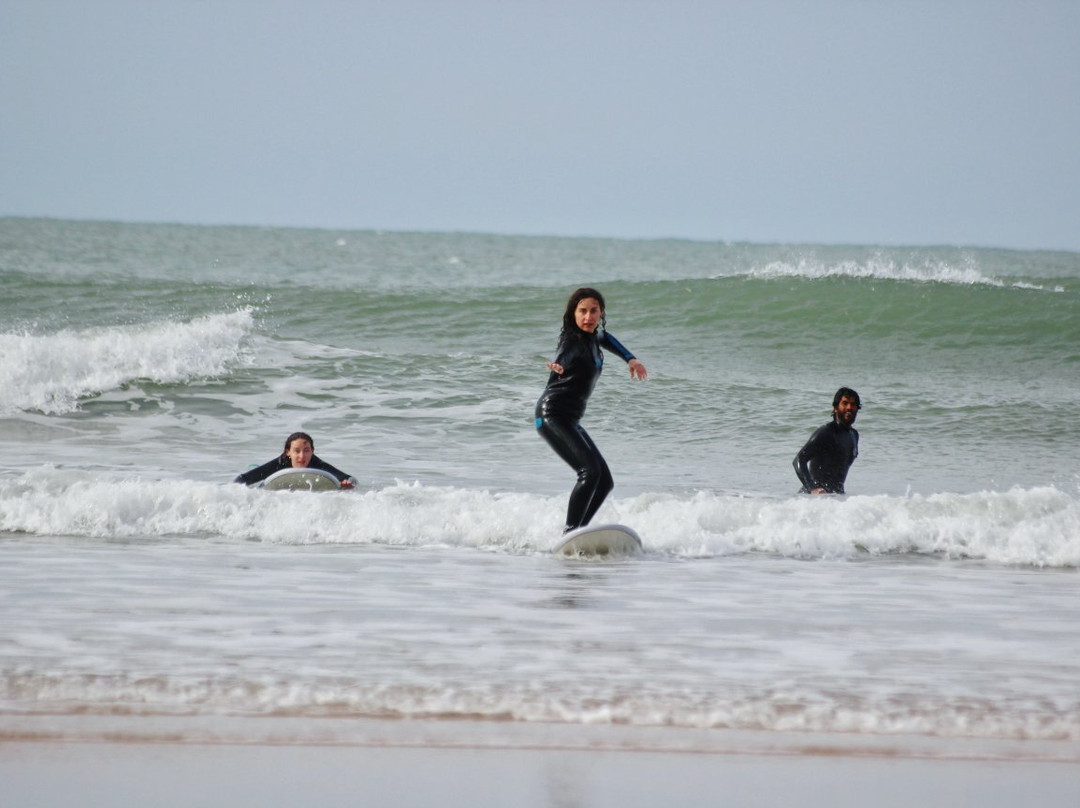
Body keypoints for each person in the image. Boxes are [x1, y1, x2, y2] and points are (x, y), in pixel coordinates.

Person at [535, 287, 648, 533]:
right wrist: (558, 366)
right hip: (551, 415)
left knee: (604, 482)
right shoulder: (572, 341)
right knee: (589, 472)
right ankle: (570, 532)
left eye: (593, 311)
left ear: (601, 312)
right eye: (582, 311)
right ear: (573, 314)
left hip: (571, 419)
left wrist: (631, 359)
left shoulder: (594, 337)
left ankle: (577, 534)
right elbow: (564, 355)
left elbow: (606, 338)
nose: (588, 317)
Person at [793, 387, 861, 494]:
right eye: (845, 403)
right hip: (812, 499)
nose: (849, 407)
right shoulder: (826, 432)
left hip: (834, 499)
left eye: (853, 404)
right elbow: (799, 459)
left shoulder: (854, 435)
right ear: (835, 408)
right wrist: (812, 488)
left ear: (857, 408)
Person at [234, 431, 356, 488]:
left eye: (306, 450)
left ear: (312, 451)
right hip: (273, 479)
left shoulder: (316, 463)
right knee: (257, 473)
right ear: (288, 452)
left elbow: (350, 479)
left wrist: (347, 484)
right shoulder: (280, 463)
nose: (302, 456)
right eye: (296, 451)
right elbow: (242, 479)